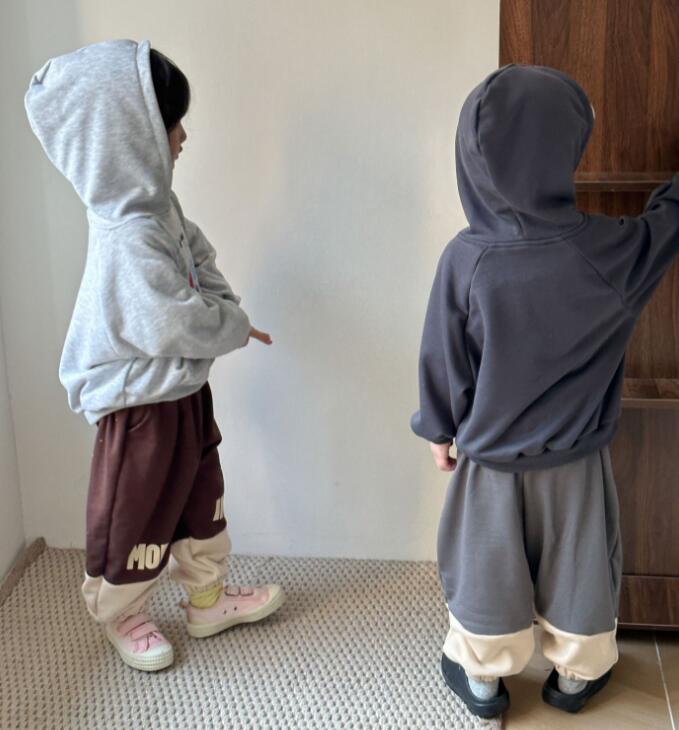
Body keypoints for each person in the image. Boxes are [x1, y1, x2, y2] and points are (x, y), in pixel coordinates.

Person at [412, 63, 679, 718]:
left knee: (485, 571)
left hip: (489, 462)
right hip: (575, 463)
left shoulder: (466, 258)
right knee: (581, 568)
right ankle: (576, 677)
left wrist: (438, 429)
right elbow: (666, 225)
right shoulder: (608, 252)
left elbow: (443, 357)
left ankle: (483, 679)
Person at [25, 39, 283, 672]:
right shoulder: (129, 237)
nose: (183, 136)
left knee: (201, 493)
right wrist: (231, 323)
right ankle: (121, 612)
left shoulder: (158, 207)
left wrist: (223, 305)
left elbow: (197, 253)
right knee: (134, 510)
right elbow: (173, 320)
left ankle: (207, 598)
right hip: (140, 404)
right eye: (171, 124)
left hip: (181, 389)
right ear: (128, 139)